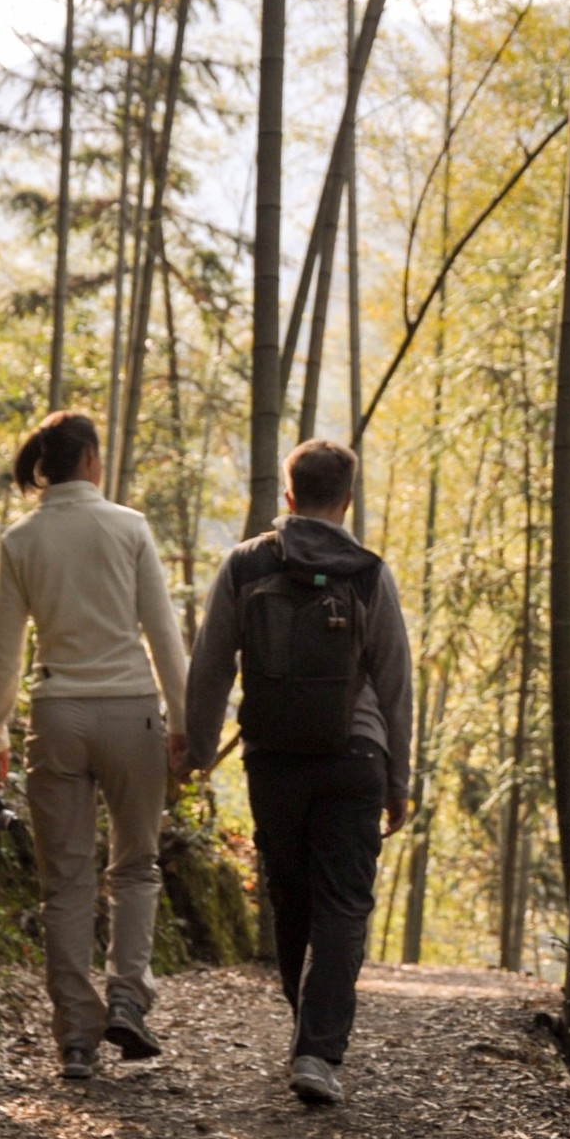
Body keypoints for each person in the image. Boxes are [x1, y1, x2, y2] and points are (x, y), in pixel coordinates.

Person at [184, 439, 412, 1105]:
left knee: (290, 893)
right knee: (344, 903)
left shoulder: (246, 564)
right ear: (347, 500)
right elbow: (395, 683)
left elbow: (210, 667)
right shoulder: (369, 573)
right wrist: (400, 780)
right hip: (356, 756)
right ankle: (317, 1048)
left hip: (274, 757)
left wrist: (198, 754)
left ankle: (306, 1030)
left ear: (287, 495)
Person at [0, 411, 187, 1081]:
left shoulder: (22, 538)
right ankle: (127, 997)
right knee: (134, 868)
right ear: (93, 459)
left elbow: (5, 651)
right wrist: (185, 727)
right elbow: (163, 635)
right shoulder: (129, 527)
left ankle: (75, 1036)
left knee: (64, 882)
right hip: (131, 714)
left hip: (57, 715)